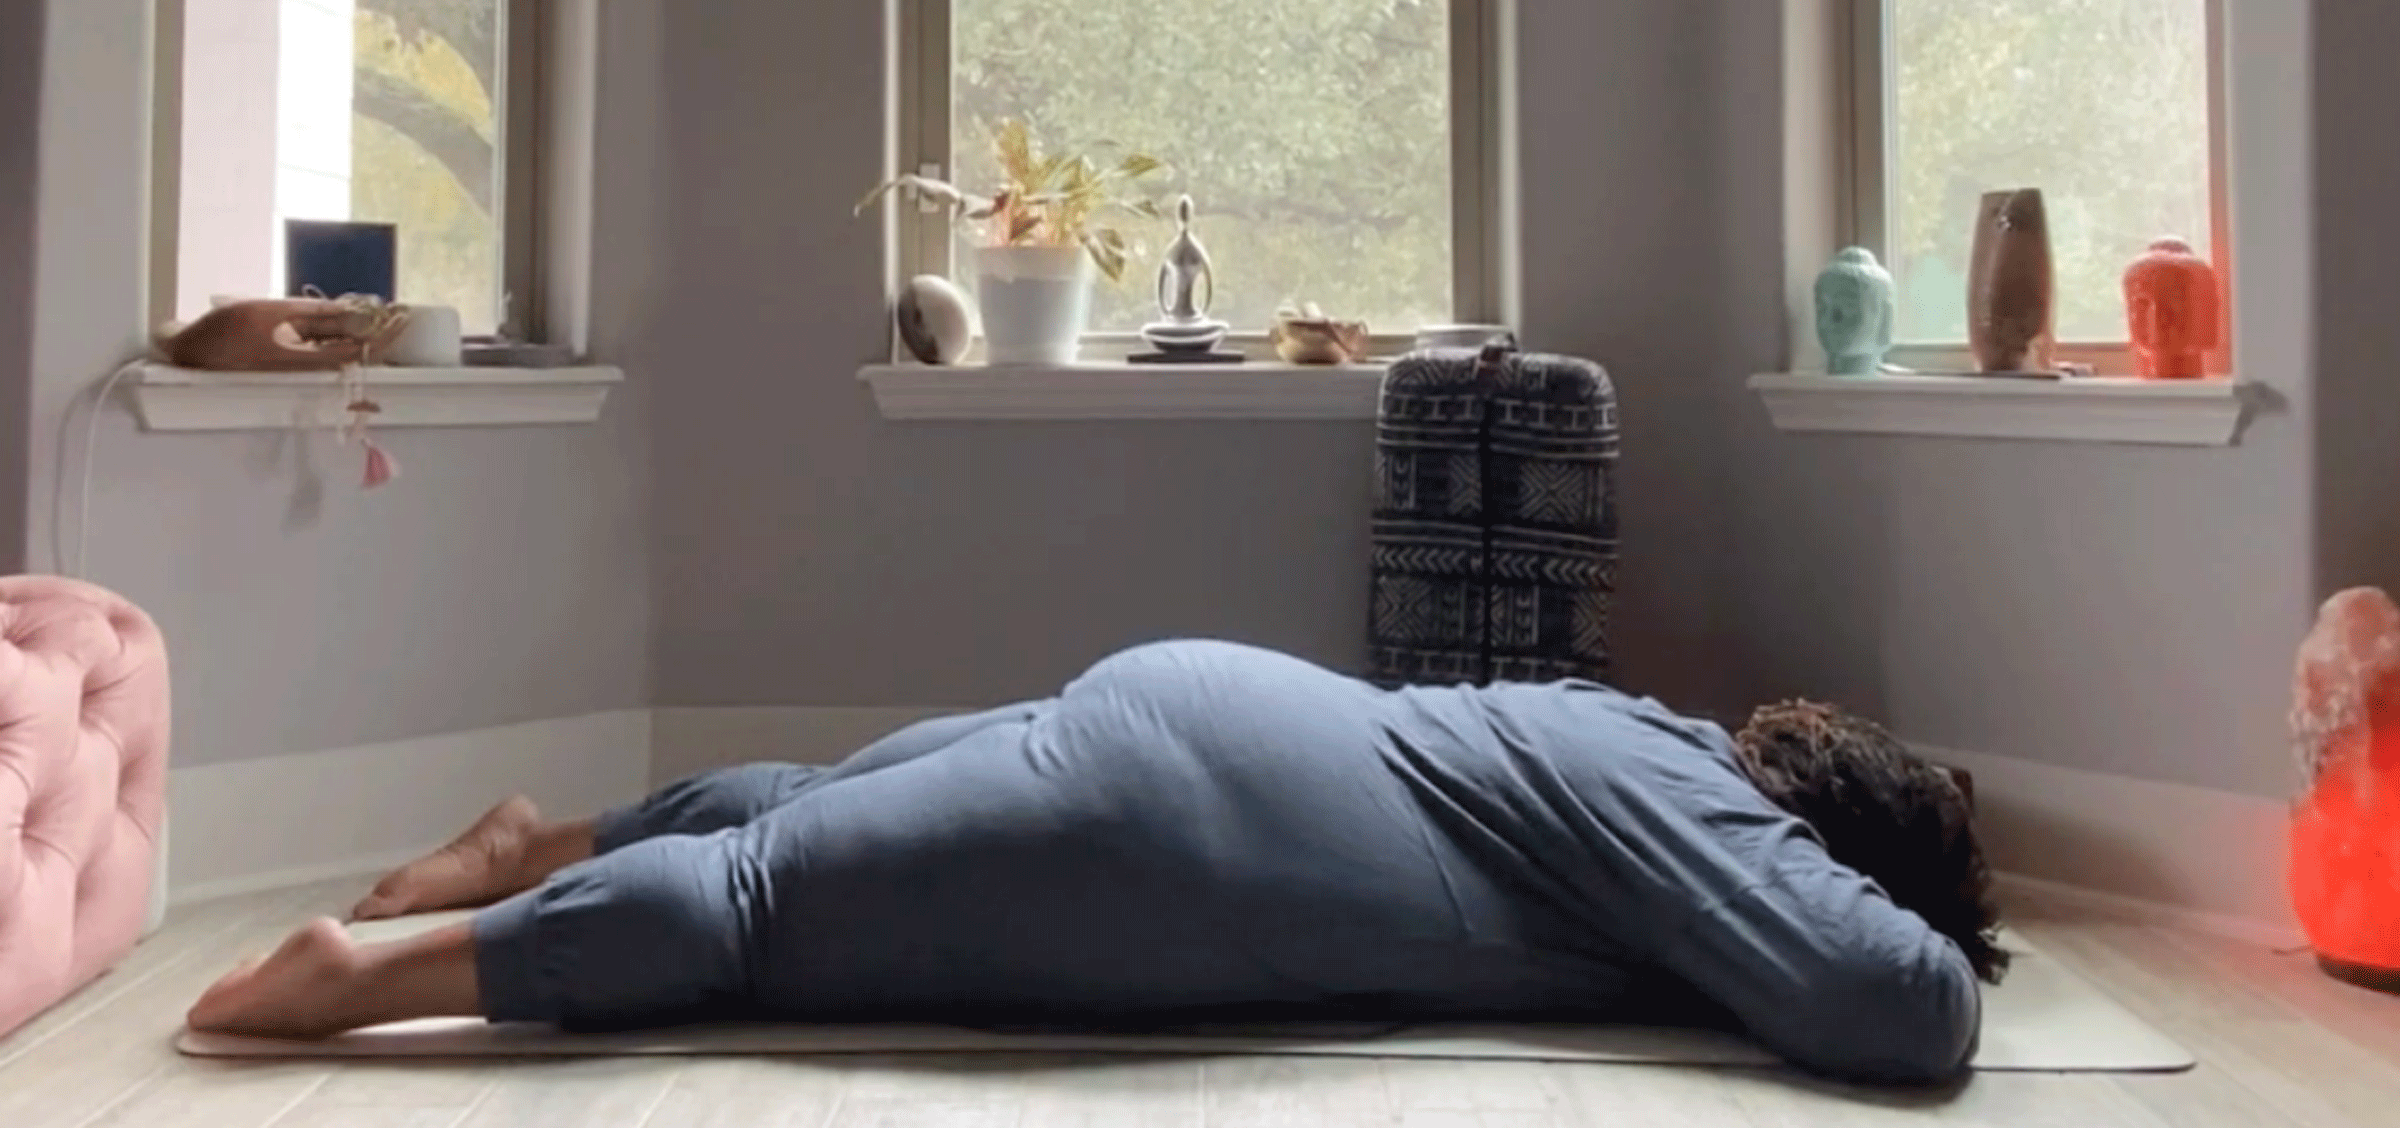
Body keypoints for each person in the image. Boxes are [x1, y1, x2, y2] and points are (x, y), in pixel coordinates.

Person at [186, 640, 2005, 1084]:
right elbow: (1894, 1004)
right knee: (770, 911)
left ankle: (525, 847)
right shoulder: (1713, 809)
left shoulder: (1617, 731)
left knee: (814, 804)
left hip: (1204, 713)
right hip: (1190, 827)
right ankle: (361, 987)